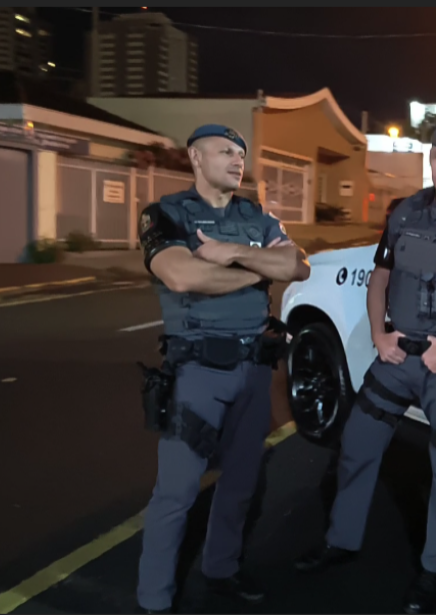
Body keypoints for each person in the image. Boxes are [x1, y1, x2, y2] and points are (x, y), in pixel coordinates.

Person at [292, 119, 436, 614]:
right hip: (398, 358)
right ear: (430, 159)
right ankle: (341, 541)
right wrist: (379, 334)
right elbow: (380, 278)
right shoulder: (406, 211)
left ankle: (434, 572)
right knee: (356, 446)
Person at [135, 124, 310, 614]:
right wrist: (261, 266)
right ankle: (153, 600)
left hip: (254, 371)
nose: (238, 160)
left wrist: (233, 254)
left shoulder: (255, 215)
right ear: (195, 157)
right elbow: (181, 273)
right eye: (225, 152)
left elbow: (298, 265)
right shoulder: (166, 214)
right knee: (176, 493)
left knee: (240, 483)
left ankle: (221, 570)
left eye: (241, 153)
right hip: (197, 374)